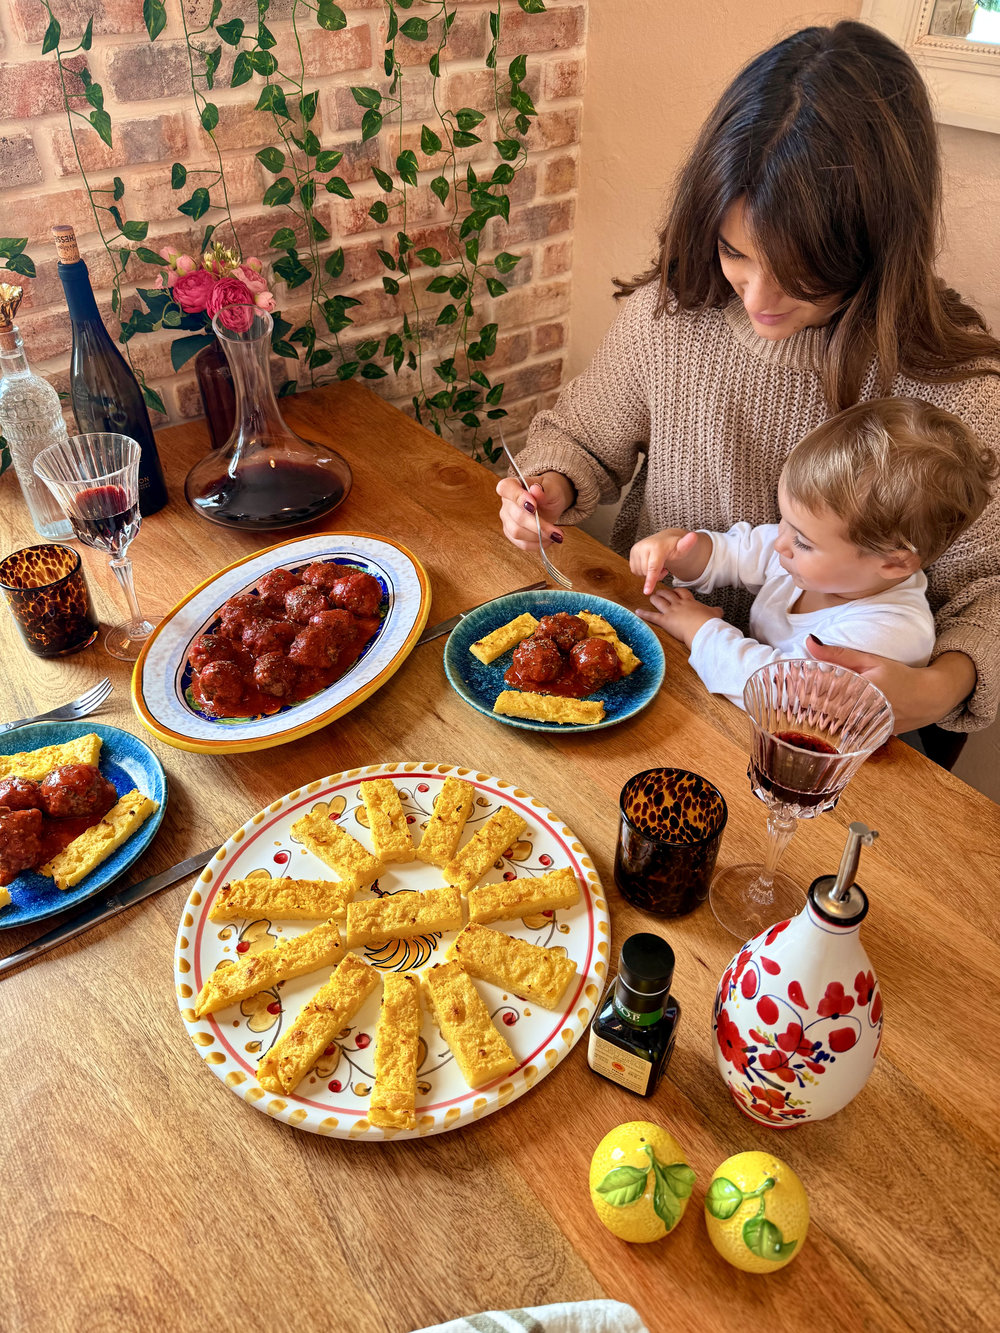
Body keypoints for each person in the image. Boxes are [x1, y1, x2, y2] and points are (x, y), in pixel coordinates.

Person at [495, 21, 1000, 751]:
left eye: (801, 274)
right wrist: (545, 486)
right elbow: (581, 440)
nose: (758, 297)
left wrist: (939, 685)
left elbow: (988, 589)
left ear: (876, 244)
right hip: (651, 673)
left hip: (821, 740)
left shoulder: (954, 388)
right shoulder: (671, 315)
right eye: (735, 252)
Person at [627, 398, 997, 710]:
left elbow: (778, 692)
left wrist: (699, 629)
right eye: (783, 521)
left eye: (803, 541)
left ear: (893, 562)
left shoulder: (888, 632)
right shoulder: (812, 559)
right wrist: (679, 550)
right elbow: (735, 552)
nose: (780, 543)